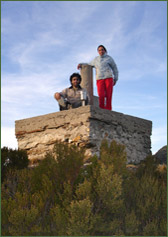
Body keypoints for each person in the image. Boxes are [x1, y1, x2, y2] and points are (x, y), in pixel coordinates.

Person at [77, 45, 118, 111]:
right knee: (101, 95)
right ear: (98, 52)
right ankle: (101, 109)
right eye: (99, 50)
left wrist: (115, 78)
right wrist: (81, 64)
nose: (101, 51)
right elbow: (89, 64)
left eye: (102, 50)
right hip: (99, 79)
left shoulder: (109, 58)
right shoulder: (96, 59)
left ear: (105, 50)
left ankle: (108, 110)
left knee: (108, 95)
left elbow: (115, 68)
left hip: (108, 78)